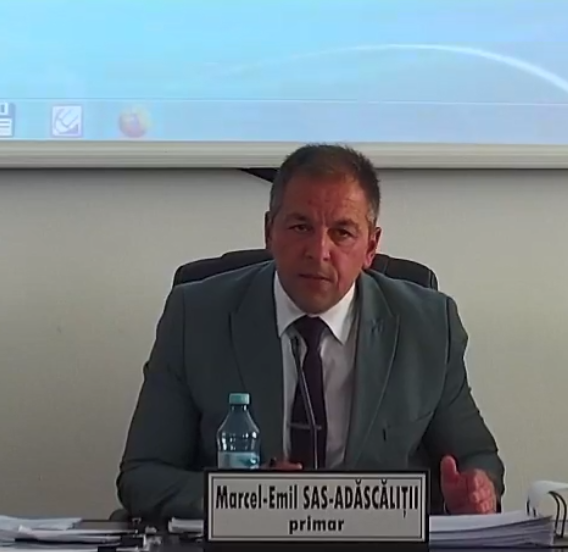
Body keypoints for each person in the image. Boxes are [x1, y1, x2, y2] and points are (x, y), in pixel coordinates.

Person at [117, 144, 503, 520]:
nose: (318, 251)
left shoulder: (428, 325)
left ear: (371, 246)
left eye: (342, 232)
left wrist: (475, 492)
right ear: (269, 231)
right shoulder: (197, 317)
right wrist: (247, 496)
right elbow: (143, 477)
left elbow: (477, 459)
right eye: (301, 226)